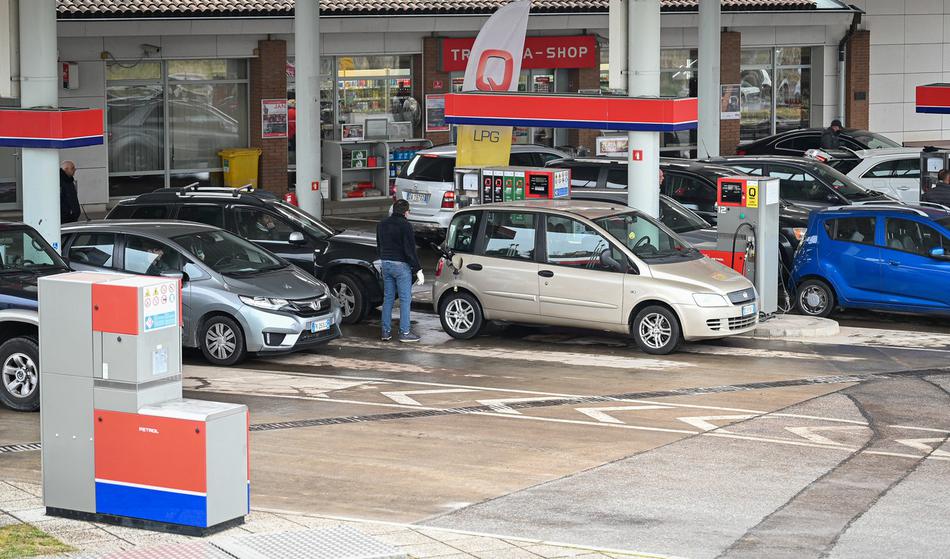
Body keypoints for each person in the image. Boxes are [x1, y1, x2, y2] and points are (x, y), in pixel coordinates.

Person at [376, 199, 422, 342]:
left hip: (386, 263)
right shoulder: (406, 225)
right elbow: (410, 250)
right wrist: (418, 269)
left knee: (388, 298)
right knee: (405, 299)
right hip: (401, 266)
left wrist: (384, 259)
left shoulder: (382, 224)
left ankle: (386, 332)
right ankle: (405, 332)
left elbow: (379, 245)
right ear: (406, 212)